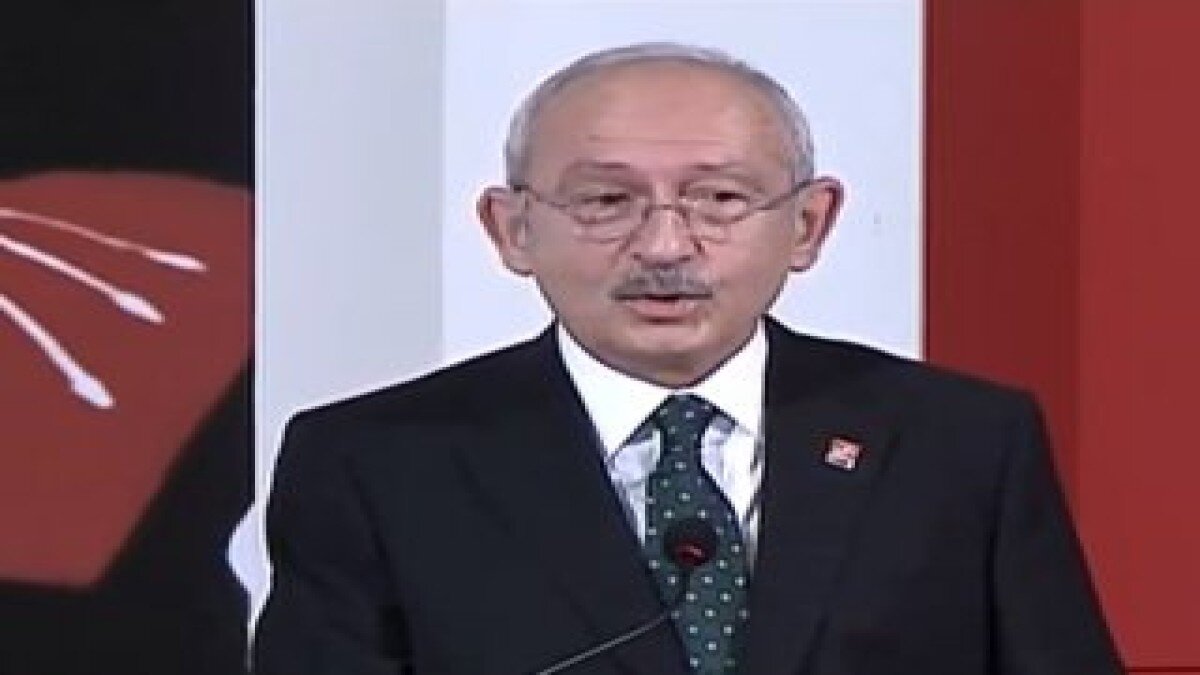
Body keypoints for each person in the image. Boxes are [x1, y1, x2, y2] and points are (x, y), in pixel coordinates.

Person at [252, 42, 1122, 674]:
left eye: (720, 198)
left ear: (808, 224)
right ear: (512, 229)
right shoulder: (377, 462)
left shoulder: (960, 443)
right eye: (606, 200)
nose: (666, 244)